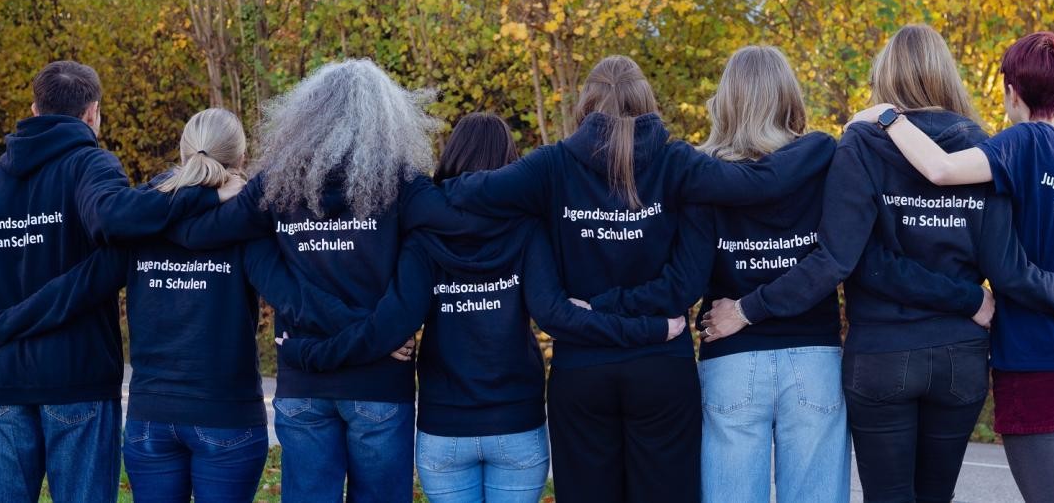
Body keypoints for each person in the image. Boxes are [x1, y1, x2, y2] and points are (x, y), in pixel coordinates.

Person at [699, 25, 1054, 503]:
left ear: (886, 75)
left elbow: (853, 259)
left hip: (882, 354)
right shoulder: (986, 148)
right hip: (961, 354)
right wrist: (973, 297)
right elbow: (1001, 262)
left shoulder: (862, 144)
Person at [441, 55, 837, 503]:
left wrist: (601, 305)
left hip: (581, 369)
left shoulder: (551, 167)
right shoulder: (677, 163)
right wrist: (822, 146)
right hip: (661, 366)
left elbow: (465, 191)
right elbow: (701, 265)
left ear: (585, 105)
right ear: (646, 101)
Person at [276, 112, 688, 503]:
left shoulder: (424, 237)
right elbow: (556, 316)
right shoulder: (525, 230)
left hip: (444, 431)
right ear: (510, 168)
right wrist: (649, 329)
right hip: (517, 426)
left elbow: (394, 321)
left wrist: (302, 350)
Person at [0, 108, 373, 502]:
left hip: (151, 423)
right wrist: (372, 331)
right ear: (241, 158)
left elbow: (72, 291)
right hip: (226, 419)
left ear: (183, 153)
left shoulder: (141, 224)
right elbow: (295, 299)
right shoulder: (244, 226)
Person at [163, 59, 506, 502]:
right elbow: (464, 224)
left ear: (305, 113)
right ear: (386, 115)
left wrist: (199, 188)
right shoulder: (401, 183)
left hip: (304, 379)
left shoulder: (275, 184)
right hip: (380, 382)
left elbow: (198, 233)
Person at [0, 61, 241, 502]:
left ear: (34, 108)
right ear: (92, 114)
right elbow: (118, 217)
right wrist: (205, 190)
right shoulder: (89, 165)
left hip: (8, 382)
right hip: (78, 383)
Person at [854, 31, 1054, 503]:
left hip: (1036, 359)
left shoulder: (1020, 144)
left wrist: (887, 115)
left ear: (1012, 91)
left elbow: (939, 170)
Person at [678, 45, 852, 503]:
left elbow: (691, 279)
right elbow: (832, 259)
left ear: (728, 100)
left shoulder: (703, 175)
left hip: (731, 356)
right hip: (814, 355)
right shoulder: (824, 161)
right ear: (788, 96)